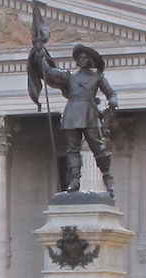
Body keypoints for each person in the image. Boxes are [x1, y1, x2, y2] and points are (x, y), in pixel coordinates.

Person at [37, 43, 119, 195]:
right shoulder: (69, 77)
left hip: (89, 113)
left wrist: (113, 100)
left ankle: (107, 176)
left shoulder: (97, 77)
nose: (81, 60)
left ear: (90, 61)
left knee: (98, 147)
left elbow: (111, 92)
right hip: (73, 113)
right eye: (79, 57)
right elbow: (49, 72)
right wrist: (40, 55)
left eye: (84, 57)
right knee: (72, 149)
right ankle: (75, 179)